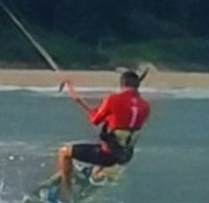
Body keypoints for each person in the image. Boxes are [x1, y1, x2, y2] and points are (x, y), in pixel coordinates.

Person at [55, 68, 150, 196]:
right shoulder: (145, 106)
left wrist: (79, 101)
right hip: (125, 154)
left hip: (108, 154)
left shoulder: (113, 99)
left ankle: (65, 192)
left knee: (64, 152)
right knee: (108, 142)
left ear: (121, 84)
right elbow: (124, 124)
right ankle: (98, 173)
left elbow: (95, 119)